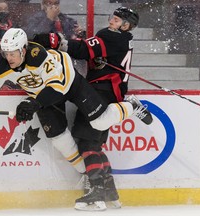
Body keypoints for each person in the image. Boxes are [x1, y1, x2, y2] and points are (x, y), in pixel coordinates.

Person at [0, 28, 152, 211]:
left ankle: (131, 106)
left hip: (69, 83)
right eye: (6, 53)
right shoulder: (0, 64)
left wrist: (33, 104)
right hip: (42, 95)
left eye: (13, 53)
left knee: (99, 121)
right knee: (59, 139)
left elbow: (57, 87)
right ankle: (92, 179)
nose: (9, 58)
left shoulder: (39, 56)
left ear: (24, 50)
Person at [33, 7, 145, 210]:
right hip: (112, 95)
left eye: (118, 20)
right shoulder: (123, 40)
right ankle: (110, 192)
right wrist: (100, 59)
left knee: (86, 143)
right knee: (94, 144)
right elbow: (99, 54)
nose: (112, 21)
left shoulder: (110, 36)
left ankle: (96, 192)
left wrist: (55, 41)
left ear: (126, 25)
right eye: (113, 17)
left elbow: (83, 50)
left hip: (99, 94)